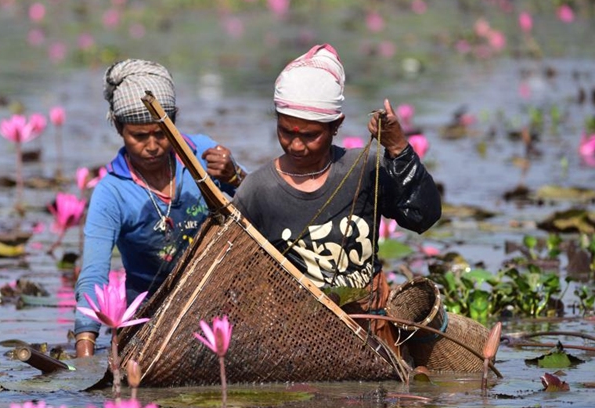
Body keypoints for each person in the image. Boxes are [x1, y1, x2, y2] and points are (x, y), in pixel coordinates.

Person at [232, 44, 441, 349]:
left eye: (310, 135)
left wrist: (398, 149)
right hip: (298, 338)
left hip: (371, 330)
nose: (296, 145)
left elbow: (423, 216)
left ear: (336, 127)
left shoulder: (364, 169)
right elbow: (241, 278)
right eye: (287, 131)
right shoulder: (259, 190)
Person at [73, 58, 245, 357]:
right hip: (148, 321)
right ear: (118, 127)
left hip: (215, 305)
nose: (152, 146)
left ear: (174, 120)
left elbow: (260, 206)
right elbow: (93, 275)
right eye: (139, 136)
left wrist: (235, 176)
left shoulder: (201, 155)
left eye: (161, 133)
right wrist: (85, 348)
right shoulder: (111, 192)